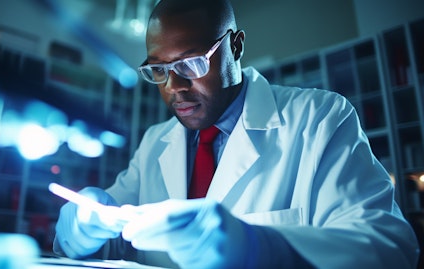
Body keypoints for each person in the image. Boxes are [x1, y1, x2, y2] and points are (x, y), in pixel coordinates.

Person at [53, 0, 420, 268]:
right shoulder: (155, 143)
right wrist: (84, 225)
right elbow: (103, 244)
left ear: (236, 46)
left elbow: (388, 248)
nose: (174, 86)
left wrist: (258, 248)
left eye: (192, 63)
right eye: (158, 70)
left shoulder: (319, 118)